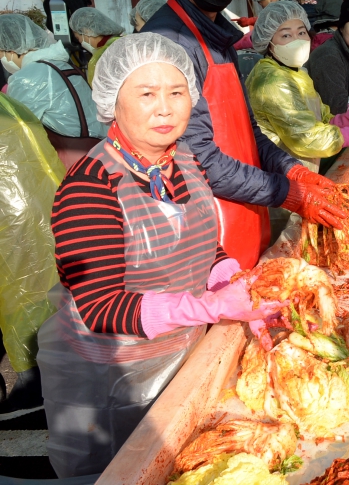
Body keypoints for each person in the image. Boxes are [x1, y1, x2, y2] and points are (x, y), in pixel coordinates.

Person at [37, 33, 284, 477]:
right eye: (146, 94)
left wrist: (230, 280)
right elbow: (99, 305)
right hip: (110, 379)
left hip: (177, 352)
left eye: (177, 92)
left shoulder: (182, 160)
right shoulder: (90, 187)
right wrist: (208, 307)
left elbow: (203, 241)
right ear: (114, 102)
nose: (166, 108)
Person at [142, 0, 349, 270]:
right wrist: (290, 194)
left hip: (243, 211)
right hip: (206, 234)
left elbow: (247, 130)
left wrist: (293, 170)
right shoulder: (169, 43)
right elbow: (197, 161)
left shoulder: (217, 36)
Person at [246, 0, 349, 175]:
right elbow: (307, 138)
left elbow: (323, 118)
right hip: (282, 178)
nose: (297, 41)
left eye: (301, 32)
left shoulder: (296, 73)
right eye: (286, 35)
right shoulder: (272, 81)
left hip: (307, 167)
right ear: (268, 41)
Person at [0, 93, 63, 414]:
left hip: (13, 225)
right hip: (42, 214)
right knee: (39, 302)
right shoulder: (12, 105)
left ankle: (31, 392)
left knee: (23, 305)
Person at [1, 14, 105, 170]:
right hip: (100, 149)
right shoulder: (60, 65)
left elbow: (17, 132)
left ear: (11, 50)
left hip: (75, 162)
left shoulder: (28, 77)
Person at [69, 8, 127, 85]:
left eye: (78, 38)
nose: (80, 43)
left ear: (86, 31)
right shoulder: (119, 42)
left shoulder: (110, 53)